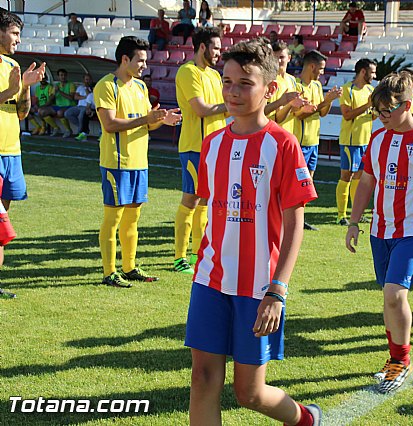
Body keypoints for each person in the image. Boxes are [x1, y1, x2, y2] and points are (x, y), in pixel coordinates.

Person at [185, 38, 321, 426]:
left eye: (245, 83)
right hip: (210, 279)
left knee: (249, 393)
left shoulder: (283, 145)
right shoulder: (211, 144)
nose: (232, 91)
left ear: (270, 89)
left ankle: (305, 420)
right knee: (203, 377)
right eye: (227, 82)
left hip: (259, 287)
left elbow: (295, 223)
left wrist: (278, 290)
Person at [345, 73, 413, 393]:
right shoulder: (378, 138)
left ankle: (402, 360)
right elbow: (366, 181)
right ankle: (394, 358)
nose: (381, 118)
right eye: (377, 112)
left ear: (407, 105)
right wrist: (353, 222)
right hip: (380, 230)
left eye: (386, 111)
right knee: (389, 297)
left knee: (395, 294)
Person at [95, 36, 181, 287]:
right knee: (113, 219)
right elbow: (110, 124)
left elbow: (147, 122)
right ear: (124, 59)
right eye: (140, 60)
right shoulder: (107, 86)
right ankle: (110, 271)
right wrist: (146, 119)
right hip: (116, 163)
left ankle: (129, 267)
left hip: (139, 163)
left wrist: (160, 120)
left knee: (133, 220)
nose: (145, 65)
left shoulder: (140, 87)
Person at [0, 9, 46, 299]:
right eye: (14, 33)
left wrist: (25, 89)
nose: (18, 39)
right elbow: (6, 97)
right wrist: (9, 91)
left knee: (1, 227)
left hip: (12, 153)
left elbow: (22, 113)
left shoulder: (12, 65)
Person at [173, 27, 227, 275]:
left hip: (216, 147)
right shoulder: (188, 72)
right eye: (215, 47)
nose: (219, 51)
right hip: (195, 147)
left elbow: (223, 110)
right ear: (202, 47)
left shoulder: (215, 76)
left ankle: (198, 252)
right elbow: (201, 109)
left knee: (206, 199)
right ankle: (179, 258)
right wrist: (231, 104)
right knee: (191, 199)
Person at [293, 50, 342, 230]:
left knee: (308, 184)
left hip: (314, 142)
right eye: (320, 69)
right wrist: (325, 101)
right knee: (297, 183)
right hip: (300, 143)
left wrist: (329, 100)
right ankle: (291, 218)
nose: (322, 72)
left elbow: (322, 112)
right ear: (311, 66)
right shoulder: (297, 86)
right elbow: (300, 115)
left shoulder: (317, 86)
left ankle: (301, 218)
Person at [335, 58, 376, 226]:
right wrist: (367, 106)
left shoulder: (371, 90)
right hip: (350, 141)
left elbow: (372, 114)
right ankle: (340, 215)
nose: (375, 75)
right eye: (372, 72)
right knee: (346, 176)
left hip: (365, 141)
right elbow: (347, 114)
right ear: (363, 72)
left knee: (360, 177)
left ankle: (355, 214)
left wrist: (376, 111)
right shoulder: (347, 90)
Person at [64, 73, 93, 140]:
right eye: (86, 79)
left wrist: (86, 88)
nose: (87, 81)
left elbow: (90, 96)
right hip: (79, 106)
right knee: (67, 113)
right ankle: (82, 127)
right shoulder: (80, 87)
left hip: (87, 107)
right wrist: (85, 97)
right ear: (83, 80)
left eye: (89, 79)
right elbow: (75, 97)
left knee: (81, 116)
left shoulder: (93, 87)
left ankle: (80, 132)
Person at [52, 68, 76, 138]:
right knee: (41, 111)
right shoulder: (56, 85)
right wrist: (54, 93)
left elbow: (71, 98)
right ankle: (55, 127)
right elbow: (51, 99)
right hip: (57, 106)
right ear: (58, 77)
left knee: (60, 112)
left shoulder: (71, 85)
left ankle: (68, 130)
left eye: (64, 75)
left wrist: (59, 91)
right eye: (61, 75)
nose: (63, 77)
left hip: (69, 106)